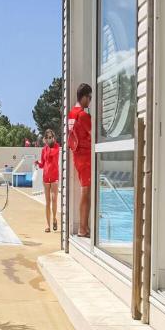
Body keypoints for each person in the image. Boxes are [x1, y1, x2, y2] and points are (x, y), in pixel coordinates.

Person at [68, 83, 93, 237]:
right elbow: (93, 132)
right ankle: (83, 228)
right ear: (83, 97)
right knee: (86, 192)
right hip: (85, 157)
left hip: (77, 156)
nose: (90, 101)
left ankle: (85, 227)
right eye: (89, 98)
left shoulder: (71, 113)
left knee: (86, 191)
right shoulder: (82, 115)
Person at [35, 129, 60, 232]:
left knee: (54, 199)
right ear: (45, 138)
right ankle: (48, 225)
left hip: (54, 177)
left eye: (51, 137)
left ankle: (54, 218)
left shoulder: (56, 147)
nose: (49, 139)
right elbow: (43, 164)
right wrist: (38, 163)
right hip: (46, 177)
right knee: (47, 202)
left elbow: (51, 154)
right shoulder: (43, 150)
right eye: (47, 137)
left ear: (53, 138)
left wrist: (47, 145)